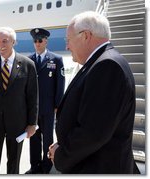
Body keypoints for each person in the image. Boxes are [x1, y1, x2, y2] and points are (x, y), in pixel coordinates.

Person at [48, 11, 138, 174]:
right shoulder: (101, 62)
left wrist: (61, 155)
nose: (66, 46)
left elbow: (93, 133)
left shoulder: (107, 66)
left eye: (68, 40)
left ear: (86, 36)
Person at [0, 26, 38, 174]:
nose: (0, 45)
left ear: (14, 42)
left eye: (5, 41)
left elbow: (33, 96)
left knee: (14, 160)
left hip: (17, 122)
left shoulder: (28, 65)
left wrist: (32, 123)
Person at [25, 28, 65, 174]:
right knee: (34, 139)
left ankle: (47, 166)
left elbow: (60, 84)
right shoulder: (28, 60)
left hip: (48, 108)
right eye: (35, 41)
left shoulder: (56, 59)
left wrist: (57, 105)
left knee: (47, 139)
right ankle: (34, 166)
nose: (37, 43)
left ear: (46, 41)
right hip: (33, 109)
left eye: (40, 40)